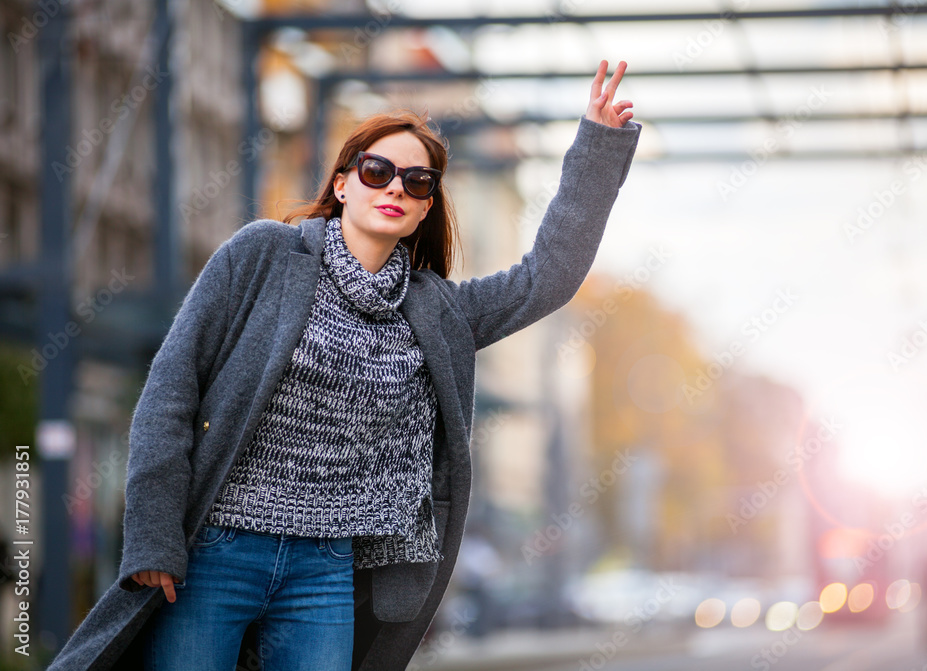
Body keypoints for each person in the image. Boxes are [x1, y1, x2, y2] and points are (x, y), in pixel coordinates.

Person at [48, 59, 641, 671]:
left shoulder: (435, 311)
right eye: (378, 170)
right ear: (342, 184)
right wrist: (152, 535)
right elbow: (172, 391)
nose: (395, 188)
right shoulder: (263, 255)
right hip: (216, 551)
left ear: (424, 209)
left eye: (417, 182)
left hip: (326, 569)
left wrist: (597, 144)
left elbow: (545, 279)